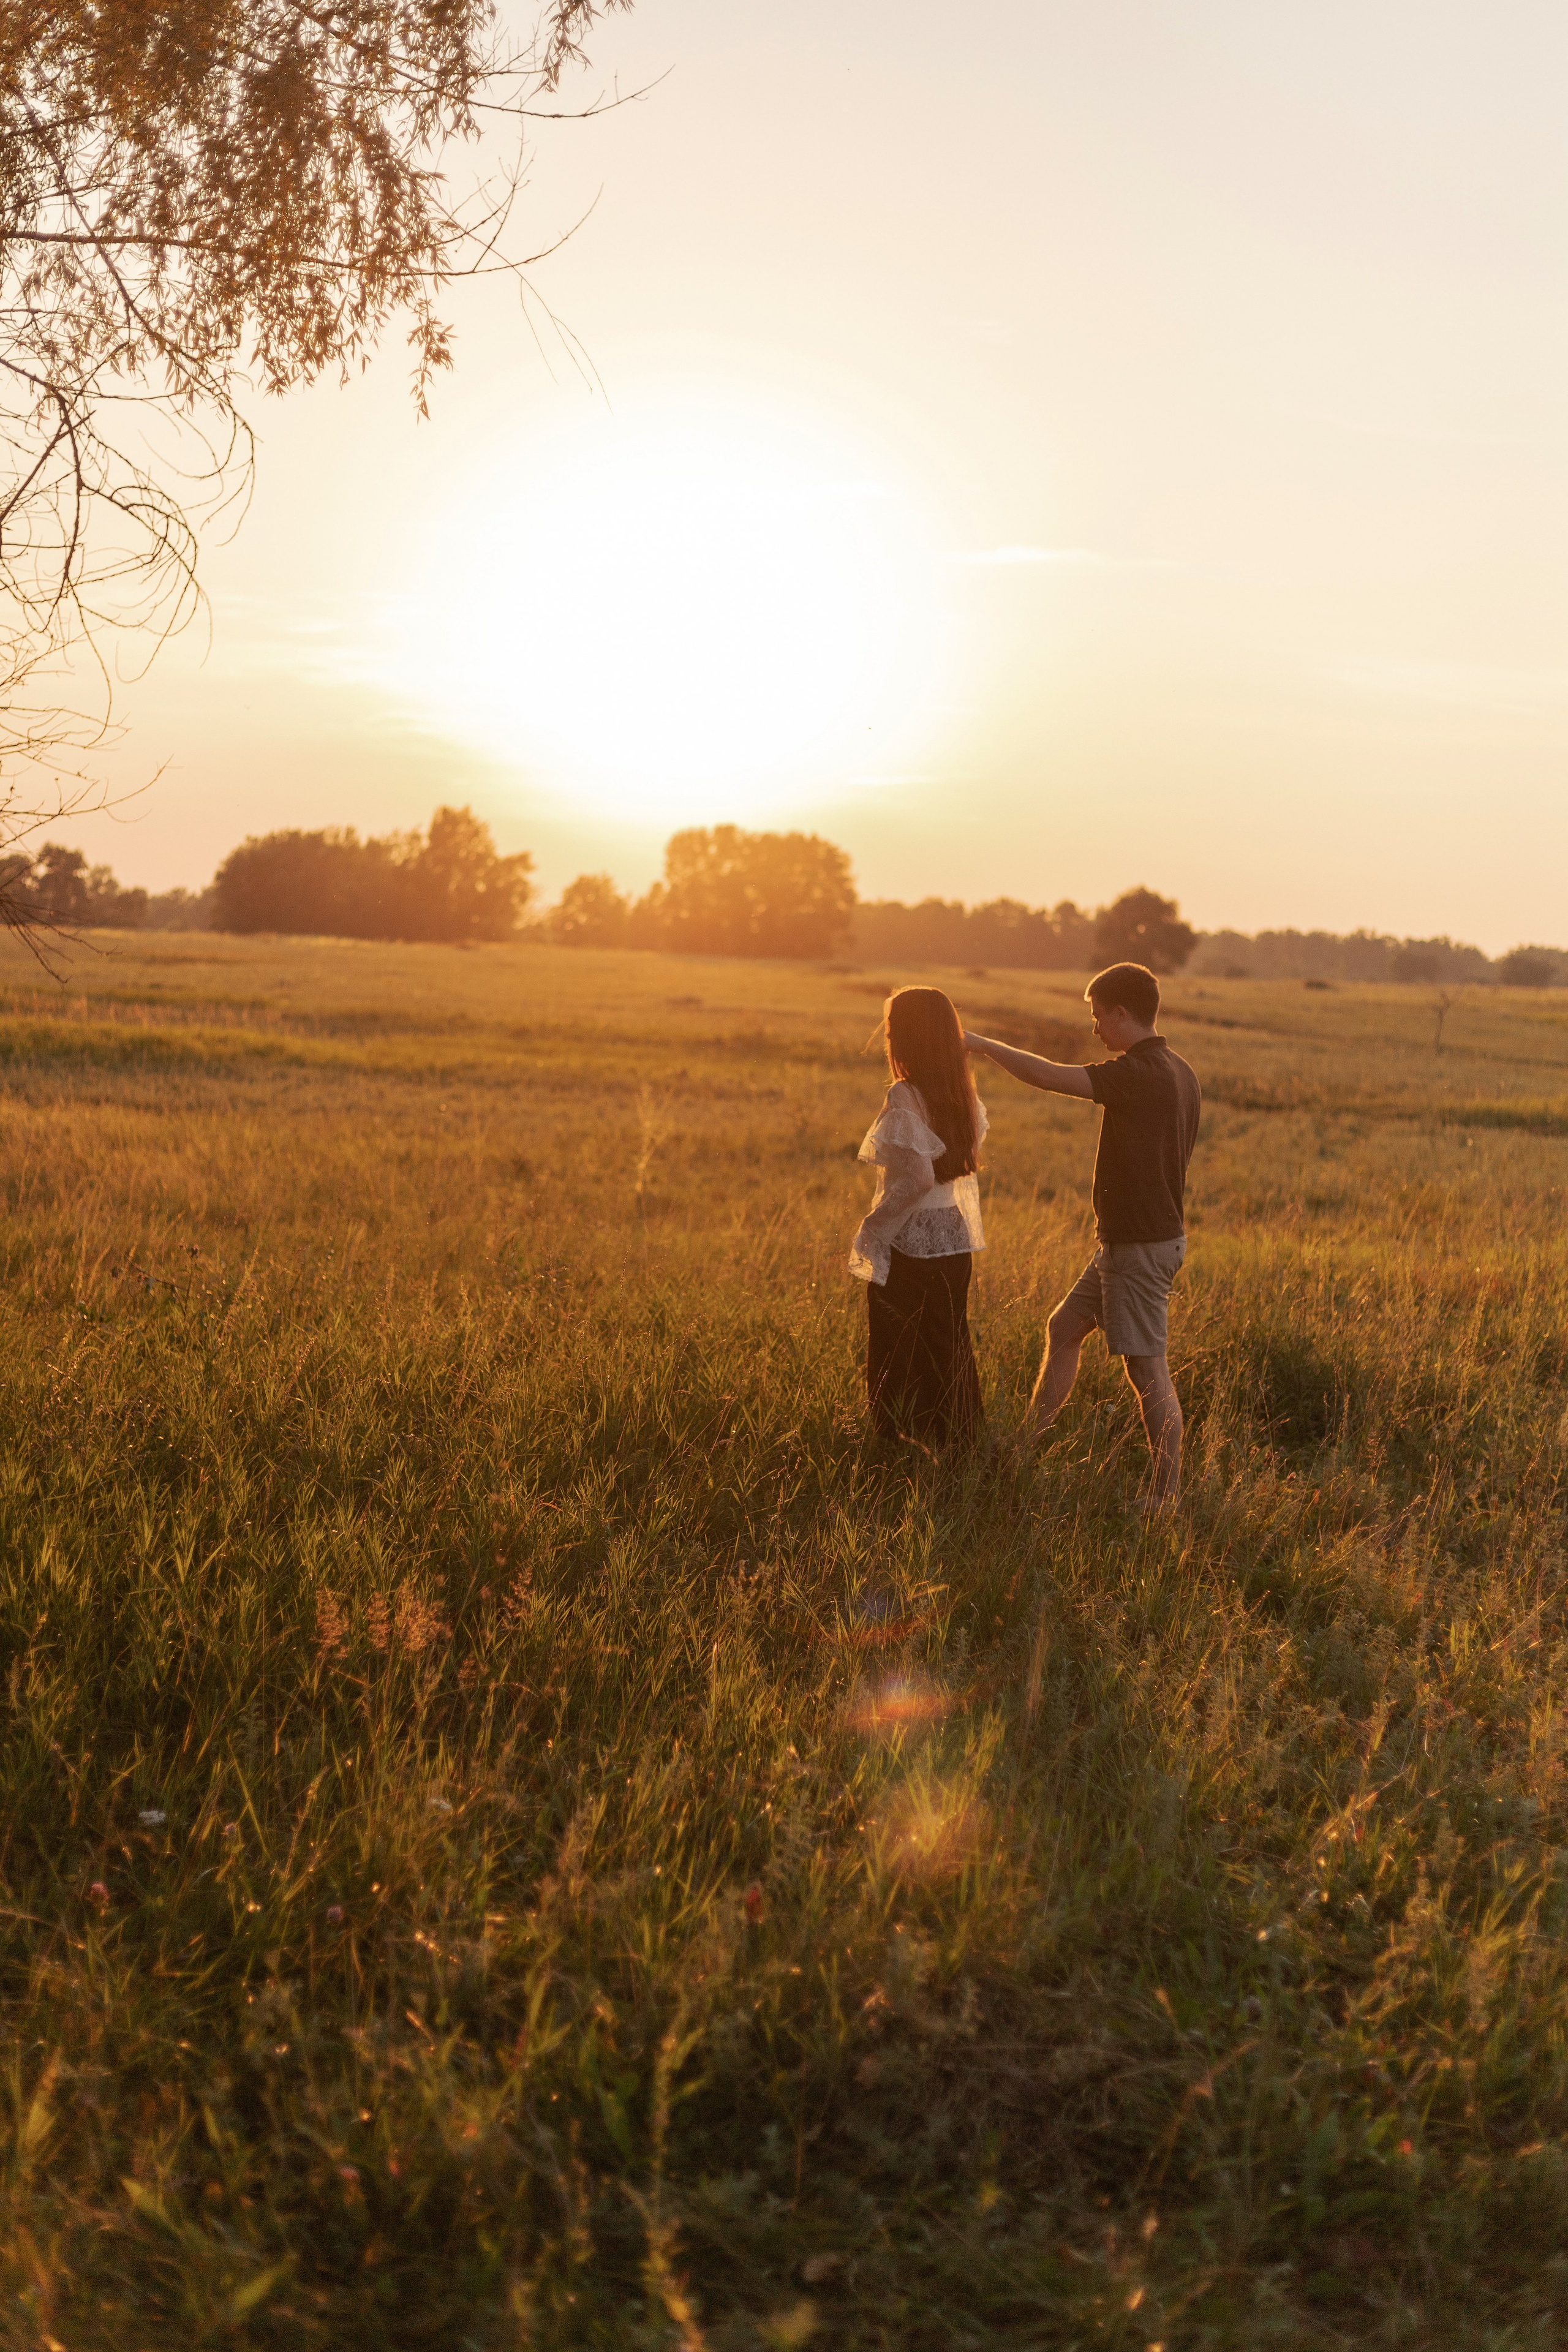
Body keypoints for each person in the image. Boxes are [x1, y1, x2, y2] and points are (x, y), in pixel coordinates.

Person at [963, 961, 1200, 1509]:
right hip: (1134, 1242)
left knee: (1147, 1371)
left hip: (1139, 1248)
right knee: (1064, 1327)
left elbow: (1048, 1075)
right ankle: (1025, 1448)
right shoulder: (1181, 1069)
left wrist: (980, 1043)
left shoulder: (1139, 1075)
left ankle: (1165, 1498)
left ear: (1122, 1013)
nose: (1095, 1029)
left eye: (1098, 1017)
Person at [848, 985, 986, 1447]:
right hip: (954, 1237)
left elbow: (922, 1179)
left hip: (912, 1240)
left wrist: (876, 1222)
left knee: (895, 1348)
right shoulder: (959, 1089)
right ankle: (959, 1448)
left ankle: (895, 1447)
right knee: (948, 1348)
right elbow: (954, 1174)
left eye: (891, 1030)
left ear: (910, 1036)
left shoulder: (905, 1094)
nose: (886, 1039)